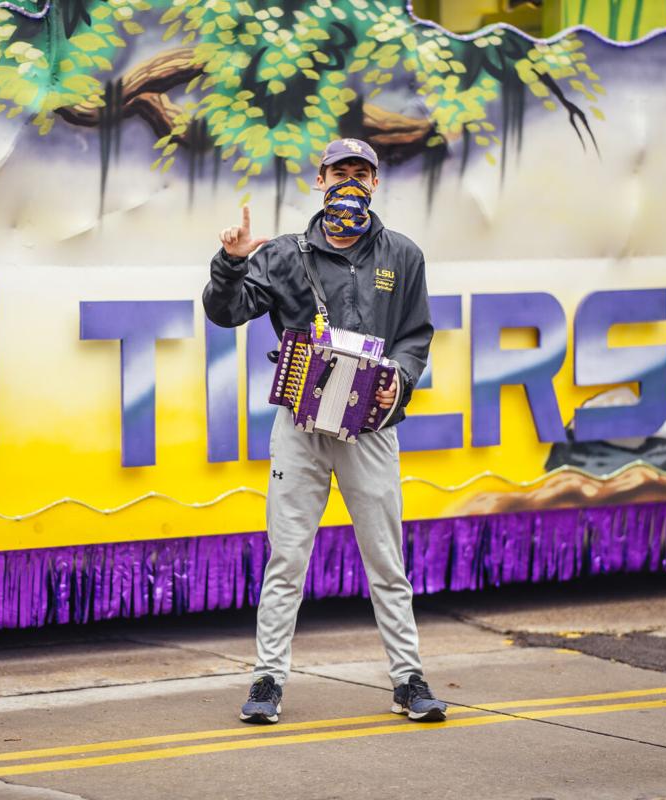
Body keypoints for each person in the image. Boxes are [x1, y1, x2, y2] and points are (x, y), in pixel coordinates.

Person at [202, 138, 447, 725]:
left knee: (386, 559)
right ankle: (267, 682)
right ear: (320, 179)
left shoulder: (403, 256)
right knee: (286, 557)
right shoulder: (284, 254)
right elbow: (225, 310)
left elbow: (416, 335)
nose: (351, 183)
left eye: (362, 173)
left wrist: (401, 381)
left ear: (375, 183)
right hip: (300, 425)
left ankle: (409, 680)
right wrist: (231, 261)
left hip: (370, 427)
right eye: (341, 172)